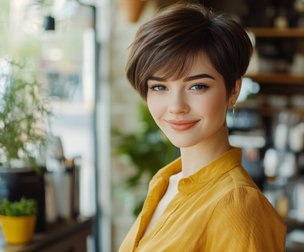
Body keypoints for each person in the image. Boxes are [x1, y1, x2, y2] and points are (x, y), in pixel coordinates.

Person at [119, 3, 286, 252]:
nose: (176, 107)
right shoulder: (166, 182)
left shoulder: (238, 207)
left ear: (233, 91)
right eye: (159, 87)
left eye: (197, 86)